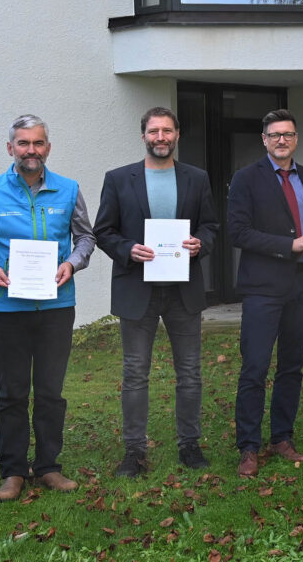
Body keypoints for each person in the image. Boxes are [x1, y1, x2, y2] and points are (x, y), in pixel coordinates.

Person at [0, 115, 95, 501]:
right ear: (10, 148)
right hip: (8, 309)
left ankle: (49, 466)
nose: (30, 150)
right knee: (12, 393)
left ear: (47, 148)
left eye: (37, 143)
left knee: (51, 391)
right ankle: (14, 471)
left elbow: (85, 237)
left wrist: (73, 263)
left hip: (56, 307)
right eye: (23, 143)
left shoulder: (68, 190)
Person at [93, 107, 218, 475]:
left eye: (167, 130)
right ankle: (134, 451)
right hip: (137, 288)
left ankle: (189, 445)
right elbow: (104, 231)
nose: (160, 137)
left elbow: (211, 225)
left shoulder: (197, 178)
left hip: (183, 290)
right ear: (143, 135)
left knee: (190, 371)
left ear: (177, 134)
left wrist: (201, 244)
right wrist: (127, 249)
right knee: (135, 372)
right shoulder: (118, 179)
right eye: (153, 131)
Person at [227, 109, 303, 477]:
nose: (281, 140)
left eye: (288, 134)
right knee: (254, 367)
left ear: (296, 138)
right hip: (263, 288)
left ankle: (282, 438)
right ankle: (248, 447)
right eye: (274, 135)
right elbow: (238, 232)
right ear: (264, 140)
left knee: (292, 367)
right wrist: (289, 245)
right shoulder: (245, 179)